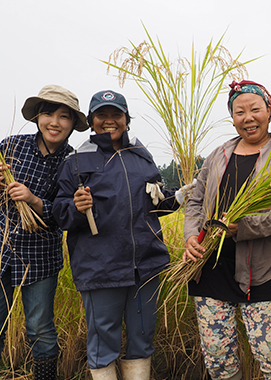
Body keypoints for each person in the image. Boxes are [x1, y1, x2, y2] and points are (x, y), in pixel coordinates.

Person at [52, 90, 183, 380]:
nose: (109, 121)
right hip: (100, 268)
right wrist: (75, 206)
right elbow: (59, 212)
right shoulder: (76, 161)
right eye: (102, 115)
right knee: (103, 343)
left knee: (142, 338)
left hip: (146, 266)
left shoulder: (141, 154)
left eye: (116, 115)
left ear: (126, 119)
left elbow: (154, 204)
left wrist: (181, 196)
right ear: (91, 120)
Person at [0, 85, 88, 380]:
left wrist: (34, 201)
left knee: (41, 328)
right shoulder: (11, 146)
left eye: (64, 116)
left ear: (73, 124)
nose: (55, 122)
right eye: (48, 113)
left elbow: (66, 215)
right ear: (37, 117)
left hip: (40, 258)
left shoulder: (73, 162)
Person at [183, 80, 271, 380]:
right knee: (219, 360)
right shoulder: (219, 154)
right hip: (210, 267)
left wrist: (243, 227)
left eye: (255, 110)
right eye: (239, 112)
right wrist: (190, 238)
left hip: (262, 270)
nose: (248, 118)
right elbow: (196, 201)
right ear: (232, 117)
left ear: (269, 110)